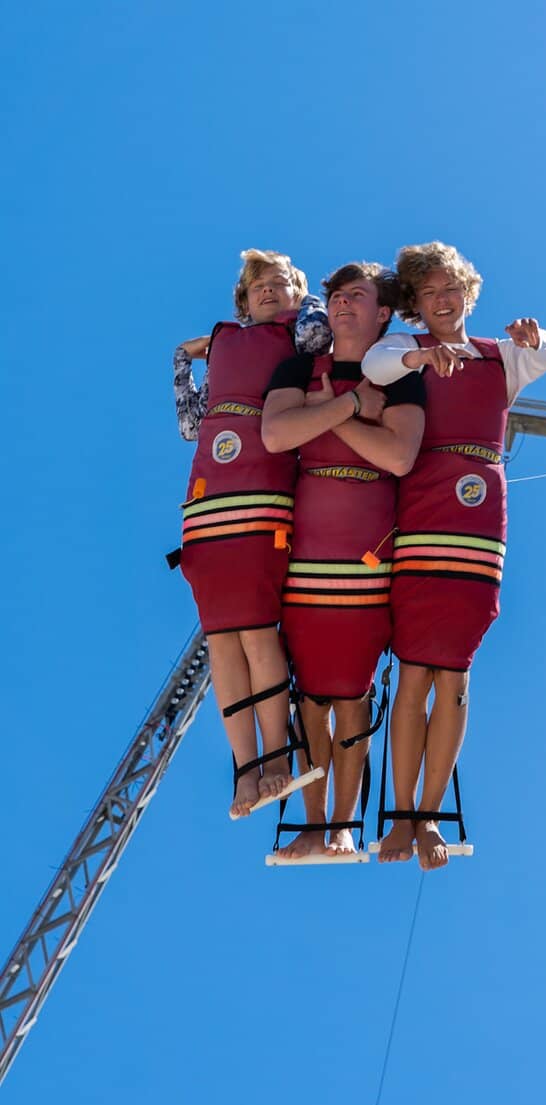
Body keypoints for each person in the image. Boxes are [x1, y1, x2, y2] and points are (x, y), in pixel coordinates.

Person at [361, 241, 546, 870]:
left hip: (479, 518)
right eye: (430, 293)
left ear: (468, 294)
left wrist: (535, 332)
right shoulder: (406, 351)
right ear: (416, 304)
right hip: (422, 511)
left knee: (455, 669)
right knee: (414, 669)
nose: (443, 300)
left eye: (452, 289)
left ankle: (428, 818)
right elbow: (376, 363)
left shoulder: (500, 358)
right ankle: (400, 816)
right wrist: (423, 351)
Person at [262, 262, 425, 859]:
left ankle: (343, 827)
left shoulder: (401, 374)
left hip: (367, 552)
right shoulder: (299, 368)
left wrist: (338, 411)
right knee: (311, 693)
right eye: (335, 296)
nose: (342, 304)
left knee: (353, 691)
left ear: (384, 312)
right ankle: (310, 829)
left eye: (357, 296)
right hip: (304, 552)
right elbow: (276, 436)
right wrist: (355, 404)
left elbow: (400, 457)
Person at [174, 249, 331, 819]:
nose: (267, 291)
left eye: (279, 283)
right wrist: (182, 359)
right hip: (207, 500)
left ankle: (278, 759)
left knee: (259, 633)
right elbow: (191, 424)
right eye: (256, 286)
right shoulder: (227, 343)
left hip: (262, 493)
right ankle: (244, 770)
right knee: (222, 643)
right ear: (241, 300)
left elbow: (319, 331)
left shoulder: (303, 332)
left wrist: (305, 293)